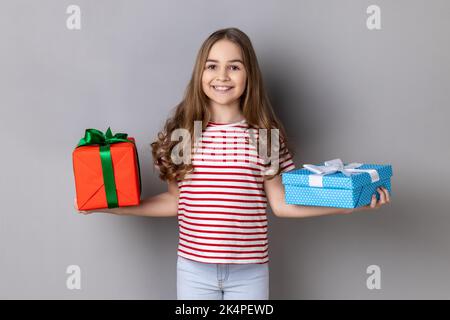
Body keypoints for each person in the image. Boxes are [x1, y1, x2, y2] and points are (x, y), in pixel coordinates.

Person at [74, 27, 390, 300]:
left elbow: (282, 203)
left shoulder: (264, 137)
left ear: (249, 74)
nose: (222, 76)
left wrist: (350, 204)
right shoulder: (185, 135)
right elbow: (175, 201)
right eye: (212, 66)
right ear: (200, 73)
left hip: (249, 273)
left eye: (234, 67)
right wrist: (112, 206)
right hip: (194, 271)